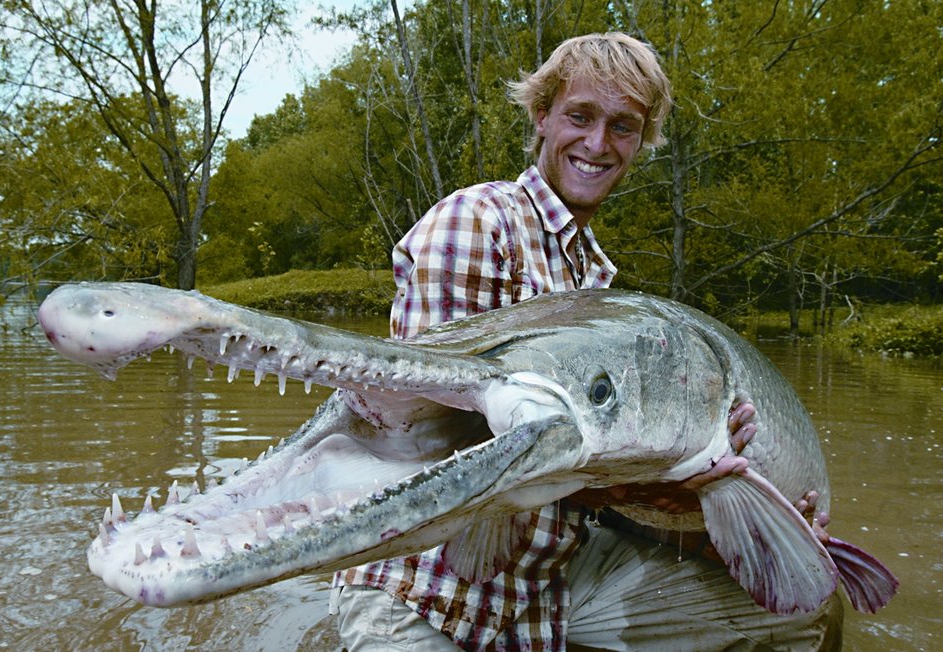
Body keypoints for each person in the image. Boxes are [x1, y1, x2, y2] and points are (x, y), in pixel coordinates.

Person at [330, 32, 841, 651]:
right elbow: (435, 439)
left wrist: (740, 522)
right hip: (423, 593)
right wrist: (663, 477)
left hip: (545, 590)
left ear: (641, 141)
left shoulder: (594, 278)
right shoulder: (478, 221)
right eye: (580, 116)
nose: (598, 144)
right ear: (542, 114)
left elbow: (595, 488)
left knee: (805, 610)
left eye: (623, 127)